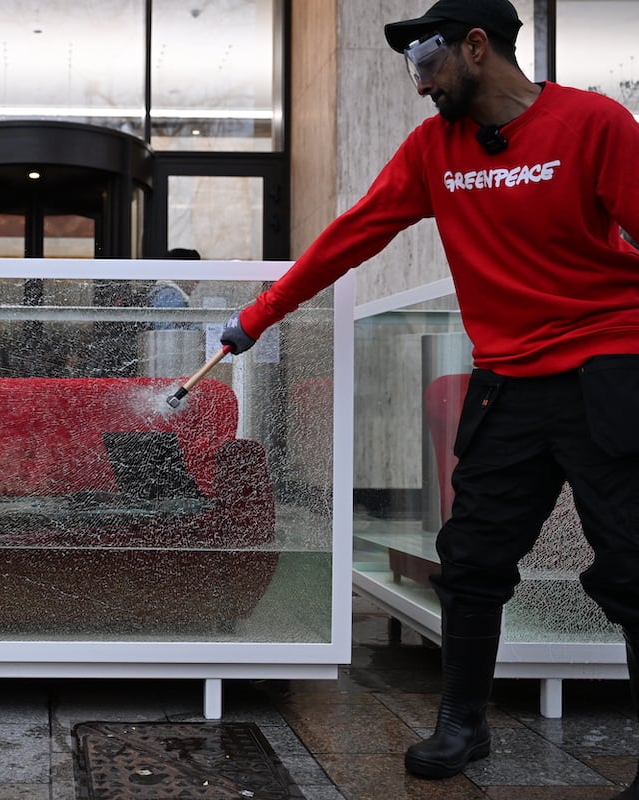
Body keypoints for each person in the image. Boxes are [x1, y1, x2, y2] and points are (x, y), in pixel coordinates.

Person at [219, 0, 639, 790]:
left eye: (426, 64)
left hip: (607, 373)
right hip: (506, 383)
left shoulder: (594, 124)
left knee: (633, 568)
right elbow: (354, 233)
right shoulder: (433, 150)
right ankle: (461, 727)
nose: (419, 86)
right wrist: (258, 316)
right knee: (471, 562)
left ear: (476, 48)